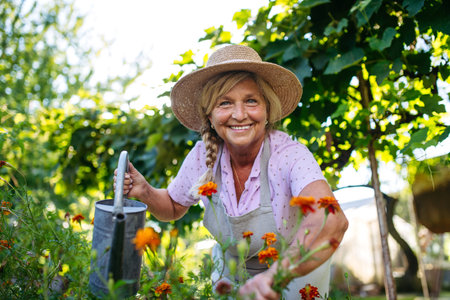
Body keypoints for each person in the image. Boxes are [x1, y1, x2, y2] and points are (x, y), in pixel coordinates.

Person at [115, 44, 348, 299]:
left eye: (251, 101)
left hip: (296, 272)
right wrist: (145, 191)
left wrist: (274, 276)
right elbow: (172, 206)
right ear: (210, 116)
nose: (239, 115)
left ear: (267, 109)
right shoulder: (202, 156)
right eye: (224, 103)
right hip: (231, 272)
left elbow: (332, 221)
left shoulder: (289, 155)